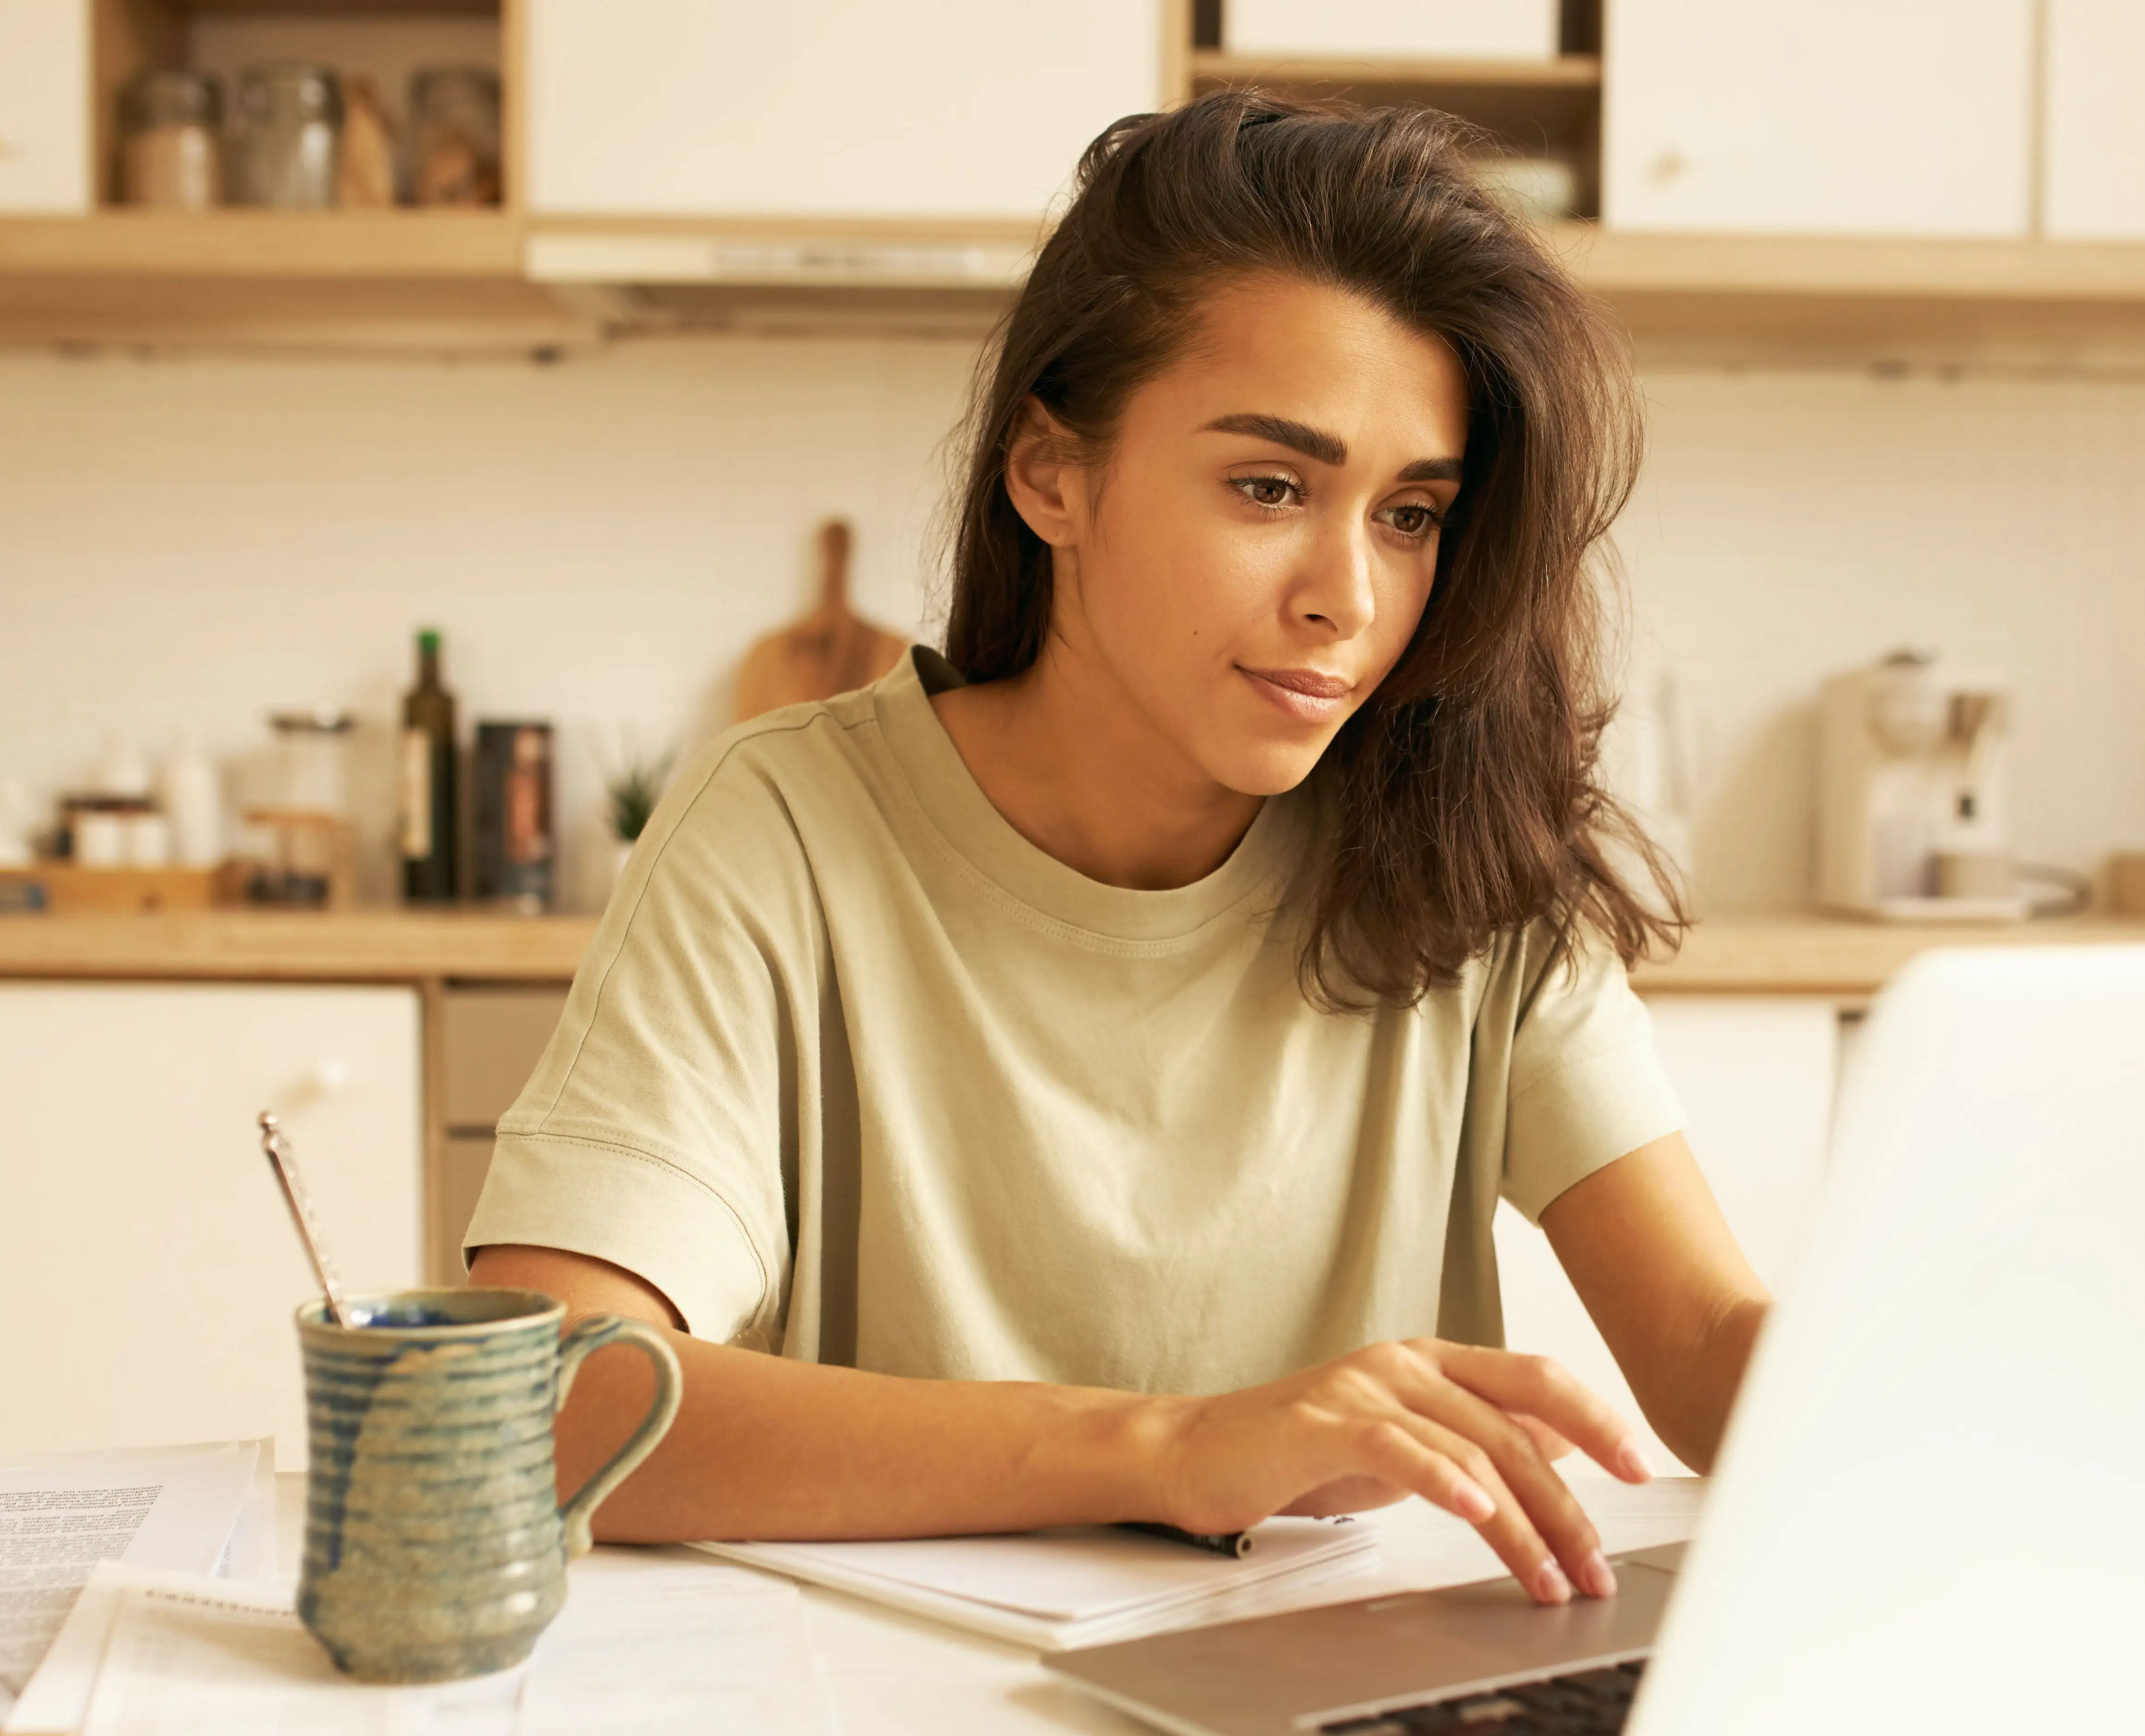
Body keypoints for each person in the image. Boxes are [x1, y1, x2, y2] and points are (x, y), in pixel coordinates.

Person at [468, 91, 1771, 1608]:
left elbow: (1700, 1348)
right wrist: (1167, 1448)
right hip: (892, 1734)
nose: (1346, 597)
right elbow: (534, 1406)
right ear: (1050, 476)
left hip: (1328, 1719)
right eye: (1270, 488)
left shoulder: (1465, 859)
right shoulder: (788, 828)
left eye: (1410, 515)